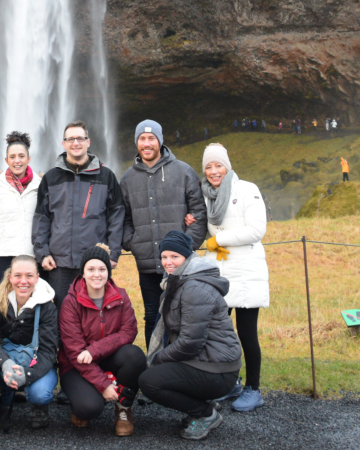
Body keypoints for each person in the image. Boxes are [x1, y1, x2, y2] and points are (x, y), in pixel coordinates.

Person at [138, 231, 242, 441]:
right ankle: (206, 405)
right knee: (157, 372)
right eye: (164, 257)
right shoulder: (178, 281)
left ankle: (204, 414)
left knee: (149, 382)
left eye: (174, 257)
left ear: (187, 257)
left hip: (217, 369)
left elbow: (190, 343)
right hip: (208, 361)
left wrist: (159, 358)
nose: (168, 262)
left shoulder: (193, 287)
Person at [120, 119, 207, 347]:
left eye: (151, 138)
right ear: (136, 142)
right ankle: (154, 371)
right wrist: (133, 243)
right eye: (142, 139)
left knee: (182, 317)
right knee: (151, 317)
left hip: (180, 264)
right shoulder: (128, 179)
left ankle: (181, 370)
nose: (146, 144)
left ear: (160, 140)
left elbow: (199, 212)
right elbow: (123, 218)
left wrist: (187, 247)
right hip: (147, 263)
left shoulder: (184, 171)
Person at [200, 143, 269, 412]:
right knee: (218, 332)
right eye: (208, 166)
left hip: (247, 271)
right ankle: (230, 383)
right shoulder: (206, 195)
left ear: (227, 166)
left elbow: (257, 230)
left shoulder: (247, 189)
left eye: (218, 165)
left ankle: (254, 389)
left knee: (247, 333)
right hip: (220, 271)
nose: (214, 171)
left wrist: (219, 238)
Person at [32, 120, 124, 308]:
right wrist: (43, 253)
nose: (76, 143)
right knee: (62, 315)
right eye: (71, 139)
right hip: (59, 263)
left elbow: (117, 216)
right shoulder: (51, 178)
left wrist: (113, 253)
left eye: (80, 138)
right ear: (63, 143)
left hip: (95, 262)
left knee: (96, 314)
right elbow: (42, 219)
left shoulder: (106, 176)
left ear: (88, 142)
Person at [0, 255, 58, 435]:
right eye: (18, 276)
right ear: (10, 278)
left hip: (36, 365)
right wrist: (4, 363)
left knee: (40, 393)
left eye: (29, 276)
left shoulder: (47, 307)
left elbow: (49, 352)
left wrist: (28, 375)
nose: (23, 281)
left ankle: (38, 406)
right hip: (7, 363)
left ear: (37, 278)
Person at [58, 244, 145, 436]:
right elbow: (75, 352)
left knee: (134, 355)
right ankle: (83, 401)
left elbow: (129, 331)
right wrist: (104, 385)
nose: (96, 274)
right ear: (82, 273)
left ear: (108, 272)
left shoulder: (120, 296)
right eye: (91, 269)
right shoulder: (70, 302)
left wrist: (94, 350)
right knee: (89, 408)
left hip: (104, 357)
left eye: (102, 269)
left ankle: (123, 410)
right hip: (76, 365)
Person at [0, 132, 41, 289]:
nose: (17, 161)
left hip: (32, 258)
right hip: (2, 260)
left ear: (29, 158)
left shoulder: (41, 187)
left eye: (21, 156)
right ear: (6, 160)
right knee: (3, 308)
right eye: (12, 157)